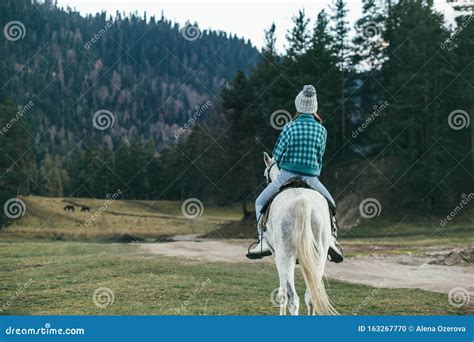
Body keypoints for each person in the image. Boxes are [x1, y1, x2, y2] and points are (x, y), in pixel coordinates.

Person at [246, 85, 343, 263]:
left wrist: (284, 165)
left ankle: (263, 241)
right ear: (314, 107)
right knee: (331, 204)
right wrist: (313, 169)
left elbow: (278, 154)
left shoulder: (289, 127)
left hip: (286, 175)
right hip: (312, 178)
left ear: (298, 105)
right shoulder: (322, 130)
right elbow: (319, 156)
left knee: (260, 202)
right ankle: (331, 240)